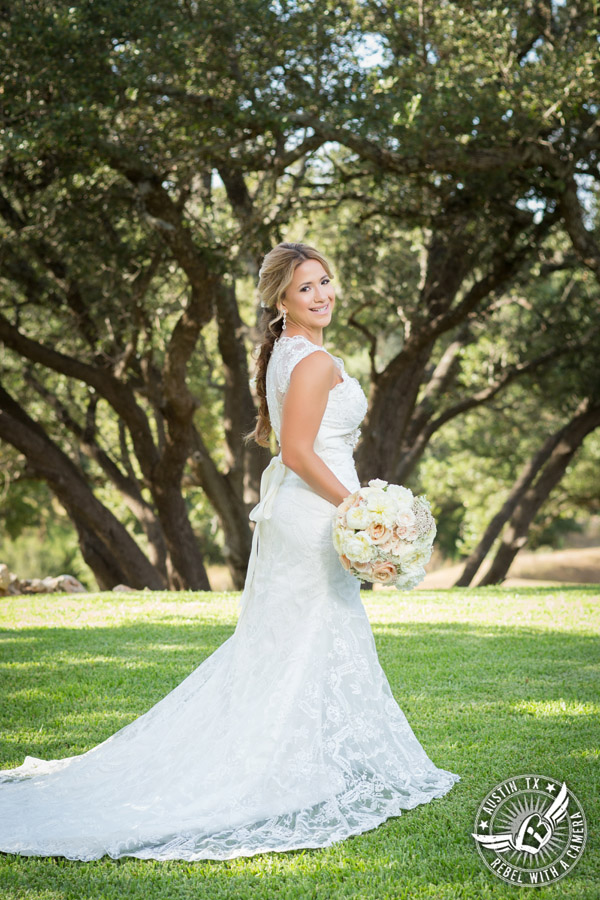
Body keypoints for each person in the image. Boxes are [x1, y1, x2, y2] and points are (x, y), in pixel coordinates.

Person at [0, 241, 460, 862]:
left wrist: (356, 504)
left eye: (325, 281)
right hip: (316, 510)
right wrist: (357, 508)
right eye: (306, 288)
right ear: (281, 299)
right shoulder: (313, 362)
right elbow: (297, 452)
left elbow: (293, 449)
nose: (322, 294)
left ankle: (305, 756)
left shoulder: (290, 355)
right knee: (307, 635)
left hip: (302, 509)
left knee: (291, 639)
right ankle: (282, 766)